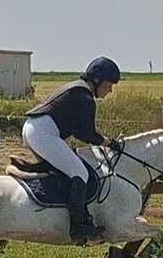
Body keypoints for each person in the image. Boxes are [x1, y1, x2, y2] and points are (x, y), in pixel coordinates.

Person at [21, 56, 122, 244]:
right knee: (80, 173)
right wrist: (109, 143)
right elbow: (88, 134)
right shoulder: (85, 98)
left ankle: (56, 212)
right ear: (97, 80)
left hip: (33, 128)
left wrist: (104, 142)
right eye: (108, 86)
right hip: (43, 132)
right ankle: (79, 226)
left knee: (66, 172)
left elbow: (80, 133)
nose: (110, 91)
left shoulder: (79, 91)